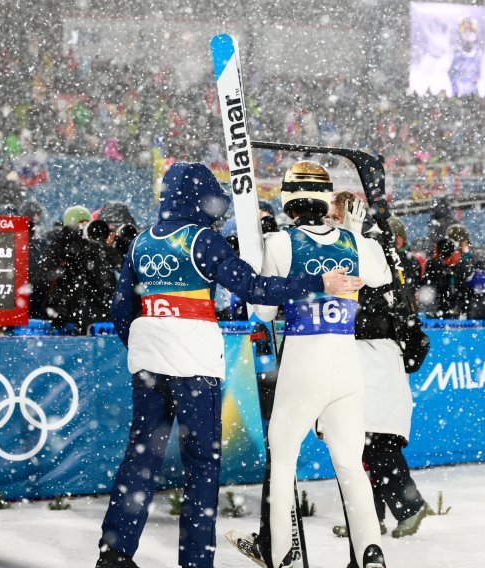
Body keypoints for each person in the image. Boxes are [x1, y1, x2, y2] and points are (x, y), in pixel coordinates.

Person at [96, 162, 363, 568]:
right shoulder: (203, 240)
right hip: (195, 361)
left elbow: (120, 310)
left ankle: (113, 554)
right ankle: (196, 562)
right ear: (199, 197)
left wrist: (143, 346)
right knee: (202, 465)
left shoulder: (140, 243)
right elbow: (256, 288)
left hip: (148, 361)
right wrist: (319, 283)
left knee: (141, 459)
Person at [252, 161, 391, 568]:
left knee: (283, 463)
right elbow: (383, 276)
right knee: (350, 464)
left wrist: (259, 256)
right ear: (327, 196)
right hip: (346, 357)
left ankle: (283, 557)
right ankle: (371, 552)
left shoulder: (280, 243)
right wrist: (361, 234)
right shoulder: (354, 242)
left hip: (303, 356)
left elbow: (262, 311)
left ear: (289, 200)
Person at [330, 202, 429, 565]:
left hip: (374, 355)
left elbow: (371, 293)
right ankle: (370, 519)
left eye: (332, 215)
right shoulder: (368, 246)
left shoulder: (368, 248)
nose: (327, 222)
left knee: (373, 441)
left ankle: (408, 505)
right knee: (362, 444)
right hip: (370, 354)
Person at [43, 205, 116, 332]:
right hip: (70, 315)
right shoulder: (61, 246)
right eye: (80, 223)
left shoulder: (96, 250)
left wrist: (103, 248)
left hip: (93, 315)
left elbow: (107, 284)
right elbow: (47, 276)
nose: (84, 227)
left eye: (87, 223)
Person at [448, 17, 484, 97]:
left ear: (476, 34)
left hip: (475, 97)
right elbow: (448, 75)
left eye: (471, 30)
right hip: (456, 95)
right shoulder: (453, 54)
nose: (467, 33)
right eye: (464, 31)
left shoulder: (481, 55)